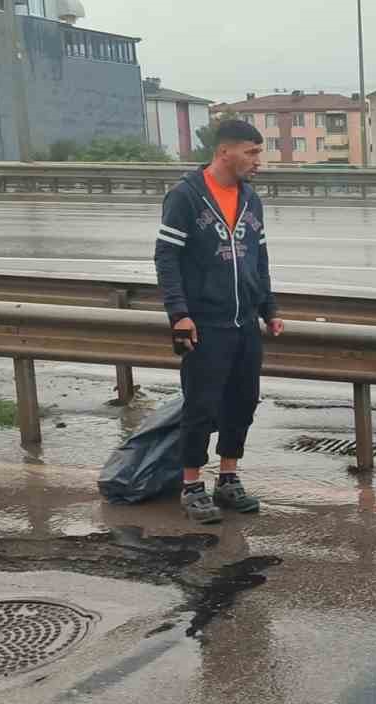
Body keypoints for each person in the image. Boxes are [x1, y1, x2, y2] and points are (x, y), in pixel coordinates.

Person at [155, 119, 284, 524]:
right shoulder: (186, 197)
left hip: (244, 321)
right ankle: (191, 485)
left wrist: (269, 308)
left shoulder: (250, 199)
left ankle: (228, 479)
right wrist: (179, 315)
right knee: (201, 406)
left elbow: (258, 258)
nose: (257, 161)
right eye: (252, 152)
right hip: (204, 323)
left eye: (258, 153)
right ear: (224, 151)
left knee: (242, 403)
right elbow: (167, 259)